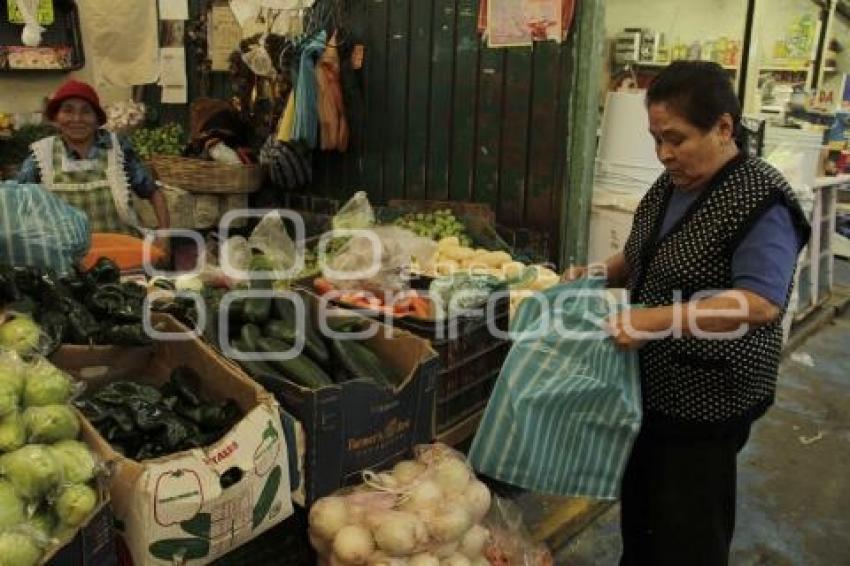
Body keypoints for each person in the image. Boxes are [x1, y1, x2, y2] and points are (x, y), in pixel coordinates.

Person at [565, 61, 811, 565]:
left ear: (723, 127)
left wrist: (654, 320)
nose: (664, 153)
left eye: (675, 138)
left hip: (710, 397)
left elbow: (759, 303)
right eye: (656, 139)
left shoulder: (760, 199)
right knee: (644, 515)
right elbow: (642, 254)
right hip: (652, 389)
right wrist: (593, 275)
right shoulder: (672, 184)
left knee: (689, 530)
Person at [16, 79, 169, 247]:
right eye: (68, 111)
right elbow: (17, 201)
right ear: (56, 118)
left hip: (122, 251)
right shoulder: (41, 154)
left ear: (97, 119)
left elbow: (153, 192)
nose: (77, 119)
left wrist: (164, 238)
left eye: (86, 111)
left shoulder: (117, 149)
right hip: (65, 258)